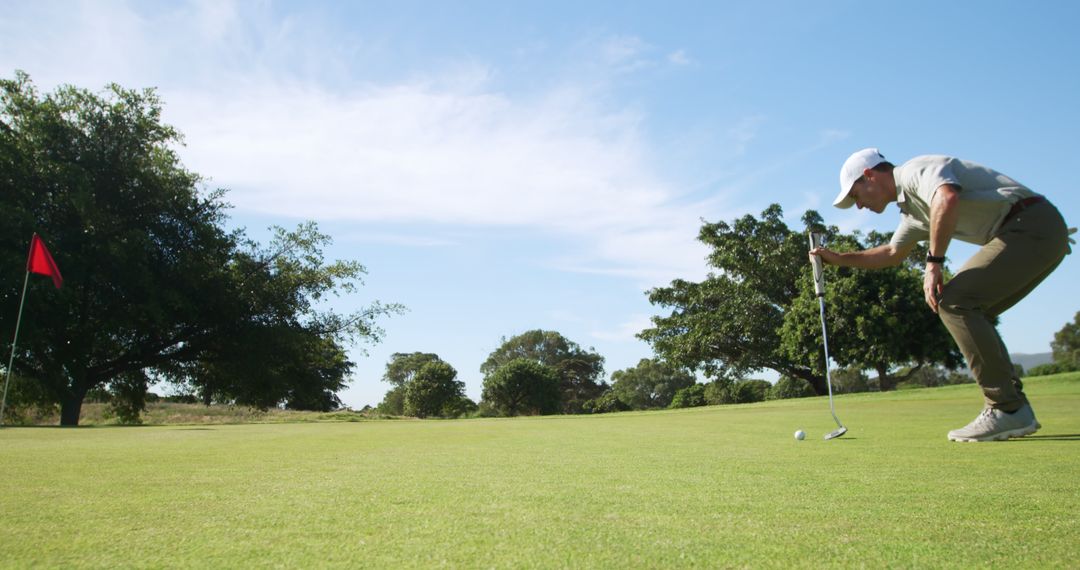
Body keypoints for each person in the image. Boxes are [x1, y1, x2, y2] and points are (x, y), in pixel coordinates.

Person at [811, 148, 1074, 442]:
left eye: (855, 195)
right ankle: (1012, 406)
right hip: (1035, 232)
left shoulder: (914, 172)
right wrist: (838, 258)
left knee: (954, 301)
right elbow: (890, 253)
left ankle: (1006, 407)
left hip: (1030, 224)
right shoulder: (913, 214)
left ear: (869, 175)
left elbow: (946, 198)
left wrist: (933, 264)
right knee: (973, 310)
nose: (858, 206)